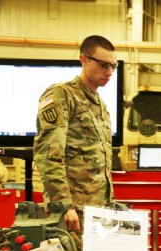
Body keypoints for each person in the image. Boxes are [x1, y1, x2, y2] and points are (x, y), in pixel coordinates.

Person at [33, 35, 118, 235]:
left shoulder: (100, 105)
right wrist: (63, 205)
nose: (109, 72)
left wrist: (110, 203)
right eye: (103, 65)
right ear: (84, 59)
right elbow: (48, 154)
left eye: (113, 67)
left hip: (99, 210)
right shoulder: (61, 95)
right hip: (73, 211)